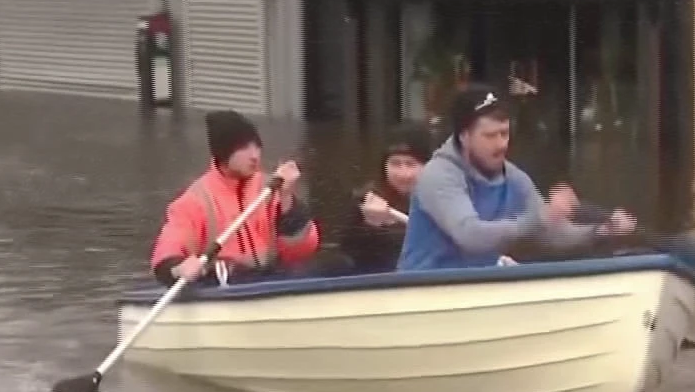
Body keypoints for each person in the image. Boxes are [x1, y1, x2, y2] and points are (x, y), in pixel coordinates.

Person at [397, 84, 636, 272]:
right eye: (490, 135)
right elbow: (470, 236)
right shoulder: (438, 175)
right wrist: (539, 218)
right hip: (425, 286)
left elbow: (552, 235)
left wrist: (602, 231)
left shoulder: (514, 178)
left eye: (505, 133)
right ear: (464, 137)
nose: (501, 144)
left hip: (479, 288)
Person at [150, 110, 321, 287]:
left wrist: (286, 198)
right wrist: (178, 268)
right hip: (224, 287)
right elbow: (167, 249)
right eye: (244, 148)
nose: (254, 155)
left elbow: (302, 251)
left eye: (256, 146)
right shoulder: (194, 201)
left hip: (270, 281)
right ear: (223, 153)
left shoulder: (270, 188)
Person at [337, 124, 431, 274]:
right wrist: (371, 226)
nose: (403, 173)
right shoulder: (366, 200)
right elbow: (350, 257)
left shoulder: (448, 198)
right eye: (395, 163)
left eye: (411, 164)